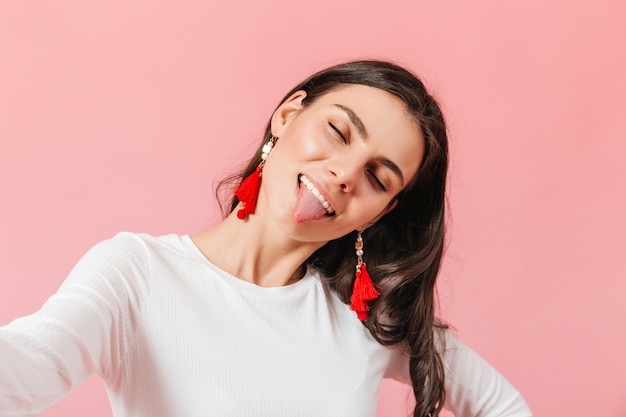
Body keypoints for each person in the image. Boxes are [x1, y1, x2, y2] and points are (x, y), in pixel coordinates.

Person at [0, 60, 532, 417]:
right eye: (339, 132)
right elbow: (23, 369)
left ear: (380, 212)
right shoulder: (137, 273)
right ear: (287, 115)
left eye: (378, 177)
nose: (345, 172)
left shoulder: (369, 322)